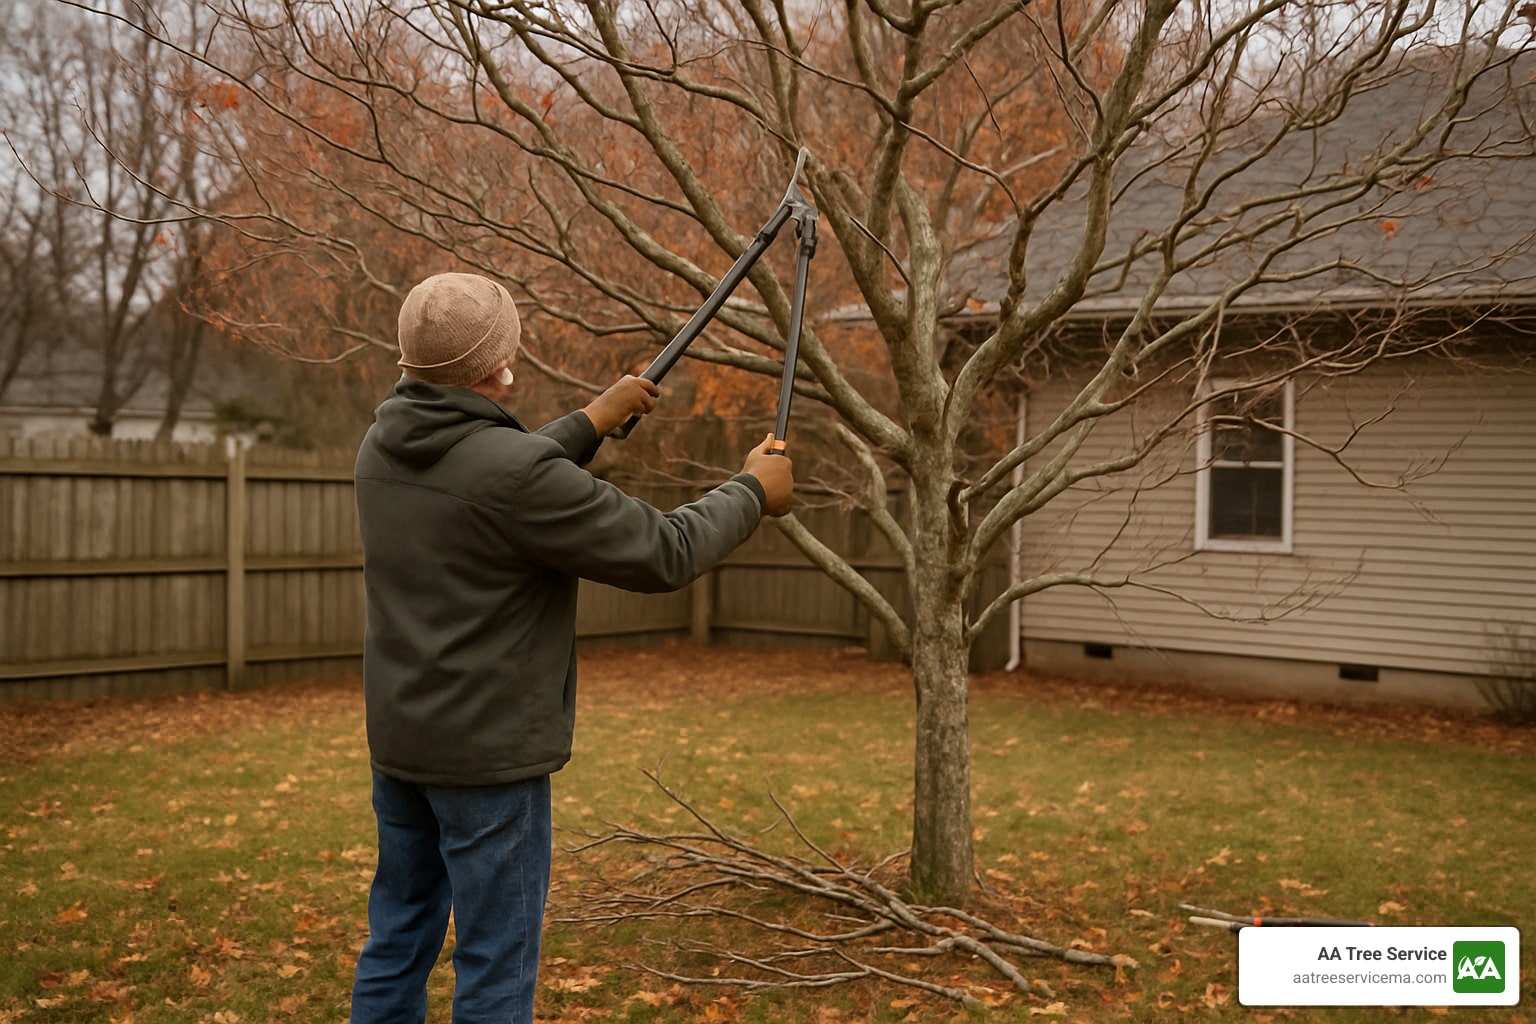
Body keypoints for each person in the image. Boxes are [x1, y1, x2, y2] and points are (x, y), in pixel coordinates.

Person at [349, 272, 793, 1023]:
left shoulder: (381, 446)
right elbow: (663, 551)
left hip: (403, 750)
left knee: (397, 941)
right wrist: (751, 491)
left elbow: (492, 474)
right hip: (489, 766)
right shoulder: (512, 474)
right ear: (501, 365)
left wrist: (590, 420)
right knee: (496, 962)